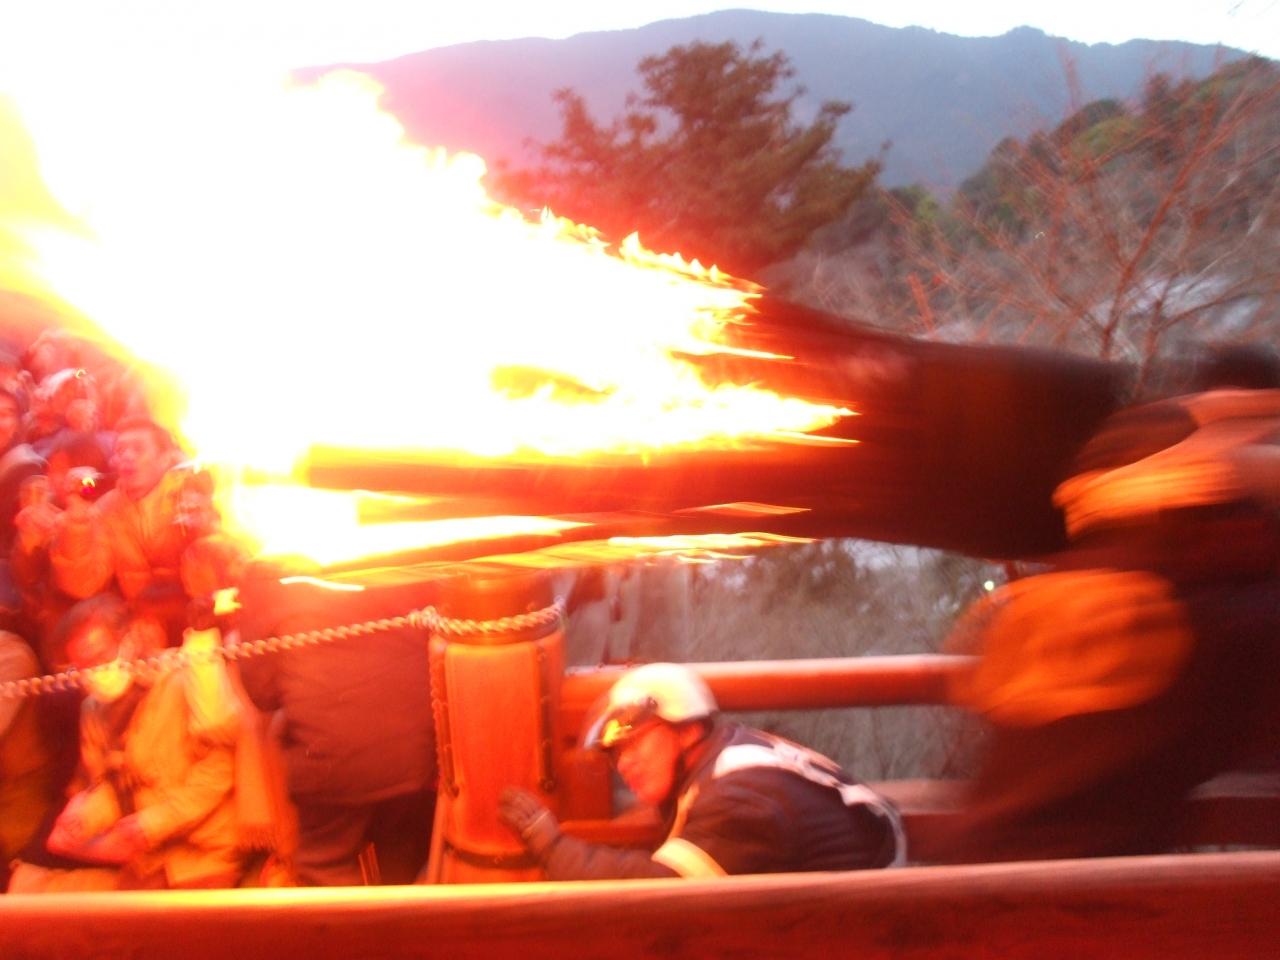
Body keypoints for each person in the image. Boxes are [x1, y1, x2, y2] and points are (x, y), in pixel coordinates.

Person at [928, 386, 1280, 862]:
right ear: (1193, 518)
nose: (1262, 530)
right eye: (1247, 510)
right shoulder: (1213, 624)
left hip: (973, 881)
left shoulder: (1039, 602)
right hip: (1091, 901)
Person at [499, 661, 905, 879]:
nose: (624, 764)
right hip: (844, 914)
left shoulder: (739, 798)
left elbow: (662, 894)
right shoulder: (726, 758)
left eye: (635, 743)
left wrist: (554, 847)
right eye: (616, 754)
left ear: (688, 729)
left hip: (869, 933)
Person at [8, 594, 248, 891]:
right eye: (82, 667)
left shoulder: (183, 678)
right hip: (148, 859)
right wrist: (86, 817)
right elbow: (109, 780)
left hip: (203, 857)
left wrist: (156, 822)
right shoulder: (94, 709)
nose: (95, 674)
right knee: (31, 888)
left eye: (100, 658)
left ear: (129, 639)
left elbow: (219, 769)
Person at [47, 415, 195, 641]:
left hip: (201, 614)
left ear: (165, 458)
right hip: (145, 628)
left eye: (138, 449)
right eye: (120, 450)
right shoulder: (107, 509)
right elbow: (83, 585)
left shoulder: (191, 493)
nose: (127, 456)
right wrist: (77, 521)